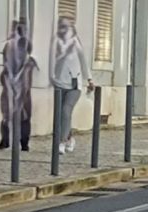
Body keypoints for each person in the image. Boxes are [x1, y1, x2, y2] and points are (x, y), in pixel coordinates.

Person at [50, 16, 94, 155]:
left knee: (65, 111)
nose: (63, 29)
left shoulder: (75, 43)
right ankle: (69, 138)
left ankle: (61, 142)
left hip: (75, 84)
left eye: (66, 26)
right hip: (59, 83)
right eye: (61, 26)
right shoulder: (55, 41)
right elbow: (50, 60)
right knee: (60, 115)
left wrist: (90, 79)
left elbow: (83, 61)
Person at [0, 19, 38, 151]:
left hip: (22, 86)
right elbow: (6, 63)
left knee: (24, 114)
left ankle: (23, 142)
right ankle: (6, 140)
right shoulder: (9, 45)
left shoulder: (25, 47)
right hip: (10, 84)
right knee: (7, 113)